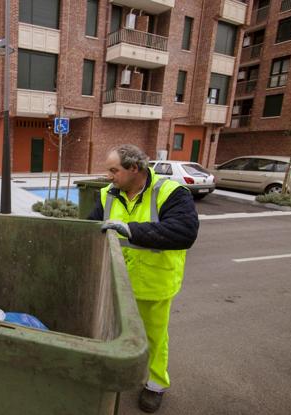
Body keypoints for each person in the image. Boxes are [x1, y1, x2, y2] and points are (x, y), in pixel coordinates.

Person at [87, 144, 199, 413]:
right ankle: (116, 373)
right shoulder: (107, 195)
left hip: (153, 284)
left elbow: (184, 232)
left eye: (114, 170)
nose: (109, 176)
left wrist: (130, 230)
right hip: (115, 282)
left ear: (134, 168)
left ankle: (155, 384)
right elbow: (89, 229)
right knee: (110, 333)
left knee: (153, 338)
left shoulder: (171, 192)